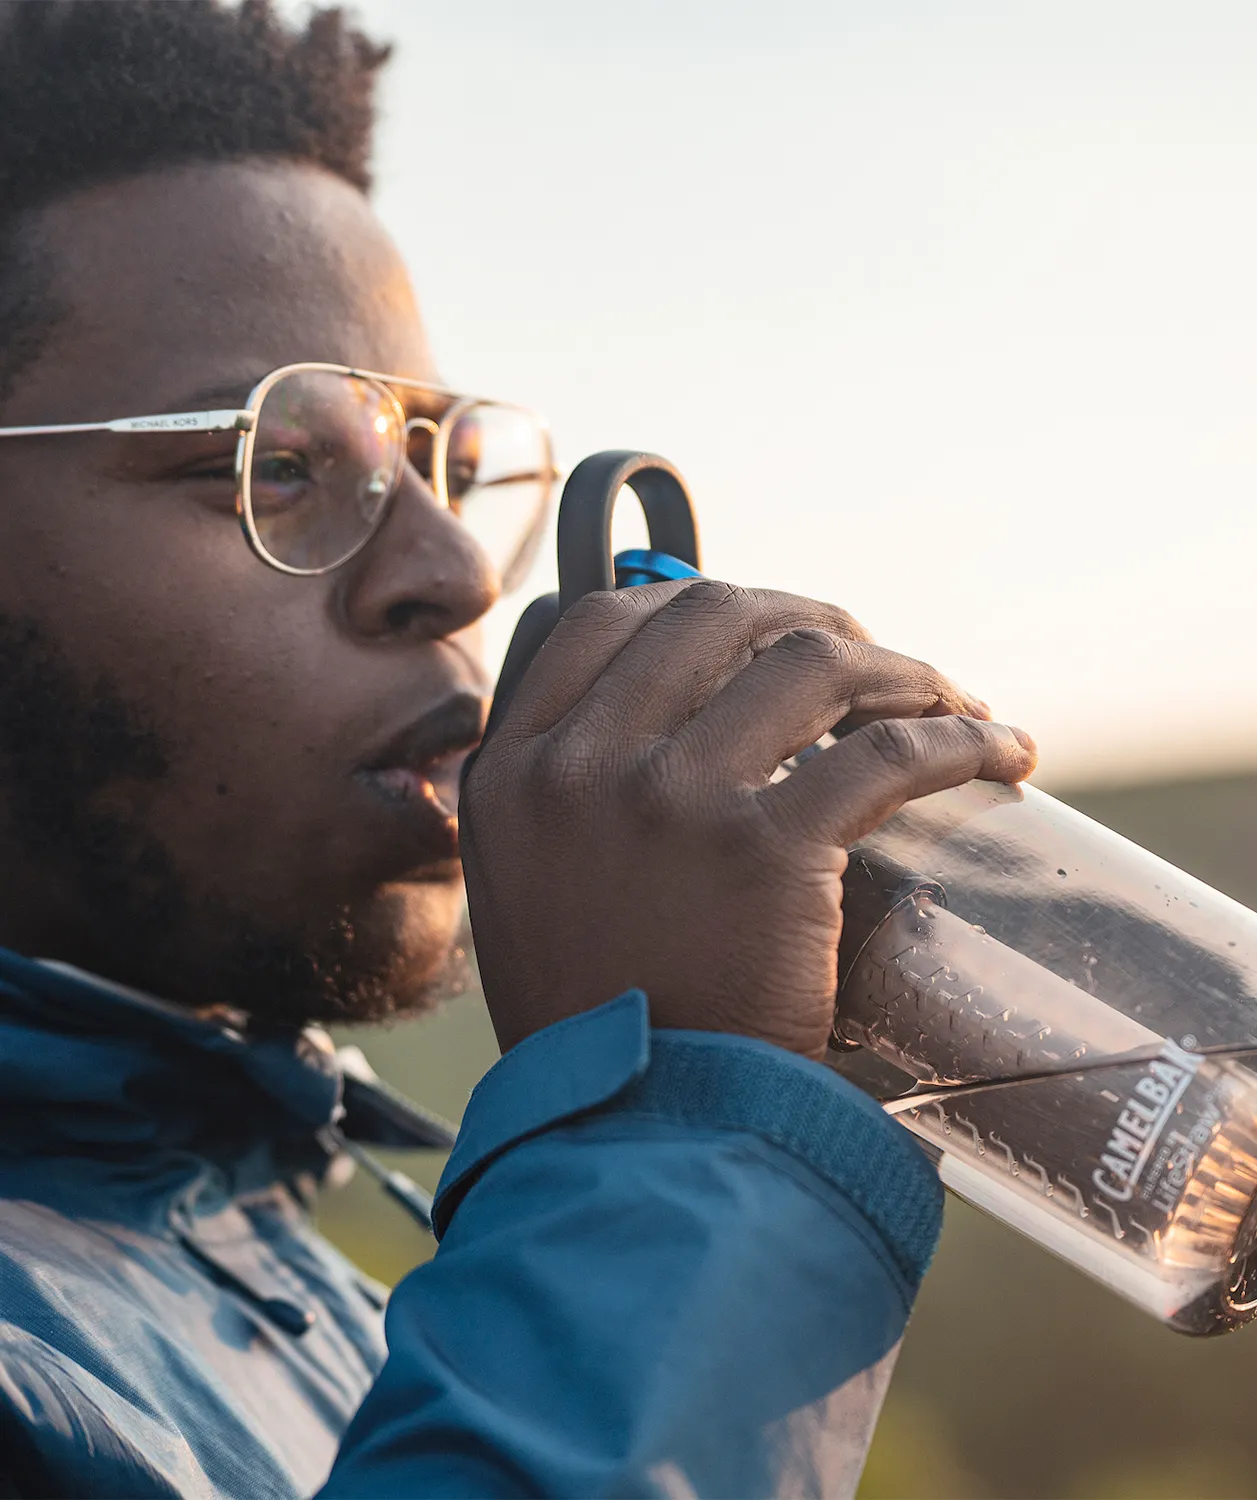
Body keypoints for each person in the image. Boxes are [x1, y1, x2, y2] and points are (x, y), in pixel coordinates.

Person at [0, 4, 1037, 1496]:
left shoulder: (299, 1290)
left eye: (441, 464)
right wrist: (673, 1125)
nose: (455, 571)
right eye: (279, 467)